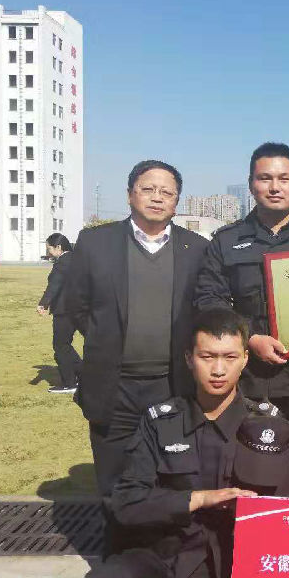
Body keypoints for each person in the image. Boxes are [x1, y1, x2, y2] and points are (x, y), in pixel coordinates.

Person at [82, 308, 289, 578]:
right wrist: (197, 499)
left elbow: (285, 516)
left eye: (229, 357)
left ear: (245, 359)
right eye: (207, 357)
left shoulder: (267, 426)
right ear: (189, 358)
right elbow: (126, 502)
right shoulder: (160, 422)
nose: (218, 370)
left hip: (230, 563)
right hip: (166, 555)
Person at [193, 142, 289, 497]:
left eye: (284, 178)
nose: (274, 187)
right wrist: (250, 339)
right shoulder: (227, 242)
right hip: (247, 384)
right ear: (251, 184)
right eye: (265, 178)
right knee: (249, 476)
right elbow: (209, 301)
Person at [65, 160, 209, 528]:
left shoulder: (196, 248)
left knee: (172, 474)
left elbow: (204, 309)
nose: (157, 198)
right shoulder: (95, 243)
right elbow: (76, 305)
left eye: (167, 192)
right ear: (130, 194)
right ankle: (117, 549)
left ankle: (166, 550)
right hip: (114, 386)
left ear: (176, 201)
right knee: (115, 477)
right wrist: (107, 339)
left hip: (172, 385)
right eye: (148, 189)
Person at [37, 232, 81, 394]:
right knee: (65, 345)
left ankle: (70, 383)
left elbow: (54, 285)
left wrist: (43, 303)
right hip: (78, 309)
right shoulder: (77, 259)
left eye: (49, 249)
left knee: (60, 345)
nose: (48, 252)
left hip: (65, 310)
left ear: (58, 247)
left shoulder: (62, 262)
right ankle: (84, 375)